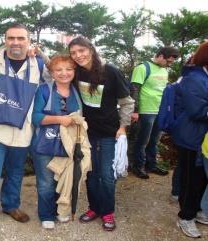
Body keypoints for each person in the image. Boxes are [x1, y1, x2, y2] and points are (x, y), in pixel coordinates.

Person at [0, 23, 50, 233]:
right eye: (11, 38)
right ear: (4, 40)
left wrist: (41, 53)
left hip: (22, 130)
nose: (15, 42)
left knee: (16, 171)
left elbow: (60, 75)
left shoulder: (40, 65)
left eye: (20, 38)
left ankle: (10, 205)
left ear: (29, 41)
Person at [68, 36, 134, 231]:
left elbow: (127, 102)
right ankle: (94, 208)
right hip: (87, 132)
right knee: (90, 172)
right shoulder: (77, 72)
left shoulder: (110, 71)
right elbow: (56, 69)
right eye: (73, 53)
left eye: (81, 51)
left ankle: (107, 212)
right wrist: (38, 53)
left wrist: (123, 126)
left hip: (109, 132)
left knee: (105, 174)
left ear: (91, 49)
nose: (78, 56)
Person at [31, 55, 83, 229]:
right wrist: (61, 119)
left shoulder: (78, 91)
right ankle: (46, 214)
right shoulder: (44, 90)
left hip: (68, 143)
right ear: (52, 73)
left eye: (68, 69)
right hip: (45, 143)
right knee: (46, 181)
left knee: (65, 178)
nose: (64, 73)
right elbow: (36, 117)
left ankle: (61, 210)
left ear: (74, 71)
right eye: (58, 69)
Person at [172, 41, 208, 238]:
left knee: (202, 177)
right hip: (191, 136)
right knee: (191, 179)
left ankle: (197, 211)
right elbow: (197, 111)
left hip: (201, 137)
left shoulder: (203, 77)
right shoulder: (194, 79)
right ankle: (185, 217)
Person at [130, 47, 179, 179]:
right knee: (142, 141)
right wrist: (135, 110)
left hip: (160, 111)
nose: (169, 64)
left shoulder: (164, 70)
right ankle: (138, 166)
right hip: (145, 111)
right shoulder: (142, 68)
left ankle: (151, 165)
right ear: (161, 56)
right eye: (168, 61)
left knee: (154, 140)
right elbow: (134, 89)